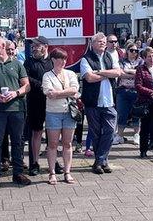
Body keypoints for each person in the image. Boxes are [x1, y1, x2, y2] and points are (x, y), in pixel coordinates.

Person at [0, 36, 32, 187]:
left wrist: (15, 93)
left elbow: (26, 86)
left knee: (17, 142)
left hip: (17, 109)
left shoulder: (17, 64)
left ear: (3, 45)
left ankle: (18, 173)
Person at [79, 33, 123, 174]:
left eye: (104, 41)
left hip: (109, 101)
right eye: (100, 41)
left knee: (110, 131)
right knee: (96, 133)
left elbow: (117, 73)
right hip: (93, 102)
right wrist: (107, 74)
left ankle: (100, 160)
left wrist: (101, 72)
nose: (103, 43)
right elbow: (90, 78)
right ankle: (102, 162)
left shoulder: (110, 56)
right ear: (92, 43)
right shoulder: (86, 59)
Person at [41, 48, 79, 185]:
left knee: (67, 144)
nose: (62, 62)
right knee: (52, 144)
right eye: (59, 59)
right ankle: (52, 173)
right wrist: (66, 93)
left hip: (69, 112)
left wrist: (58, 93)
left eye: (64, 59)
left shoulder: (70, 74)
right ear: (53, 60)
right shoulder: (47, 76)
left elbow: (75, 89)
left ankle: (67, 172)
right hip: (53, 113)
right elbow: (49, 93)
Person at [22, 37, 54, 176]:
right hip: (35, 101)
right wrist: (42, 85)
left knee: (53, 132)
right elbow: (26, 77)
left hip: (53, 101)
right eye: (33, 46)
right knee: (36, 132)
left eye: (37, 45)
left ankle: (53, 162)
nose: (34, 48)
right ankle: (34, 162)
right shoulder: (28, 61)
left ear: (45, 46)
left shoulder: (52, 61)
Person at [115, 43, 140, 144]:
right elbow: (120, 74)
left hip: (136, 90)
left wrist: (128, 71)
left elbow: (140, 74)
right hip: (123, 90)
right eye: (132, 50)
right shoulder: (121, 61)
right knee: (122, 113)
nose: (134, 52)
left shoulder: (140, 62)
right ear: (127, 51)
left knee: (137, 113)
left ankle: (136, 135)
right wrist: (133, 72)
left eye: (136, 51)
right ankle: (120, 135)